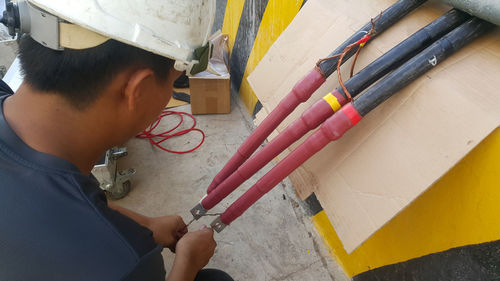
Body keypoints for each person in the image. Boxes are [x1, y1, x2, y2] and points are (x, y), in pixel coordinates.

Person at [0, 1, 233, 281]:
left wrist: (146, 224)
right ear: (139, 90)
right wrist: (187, 264)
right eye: (172, 82)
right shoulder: (121, 263)